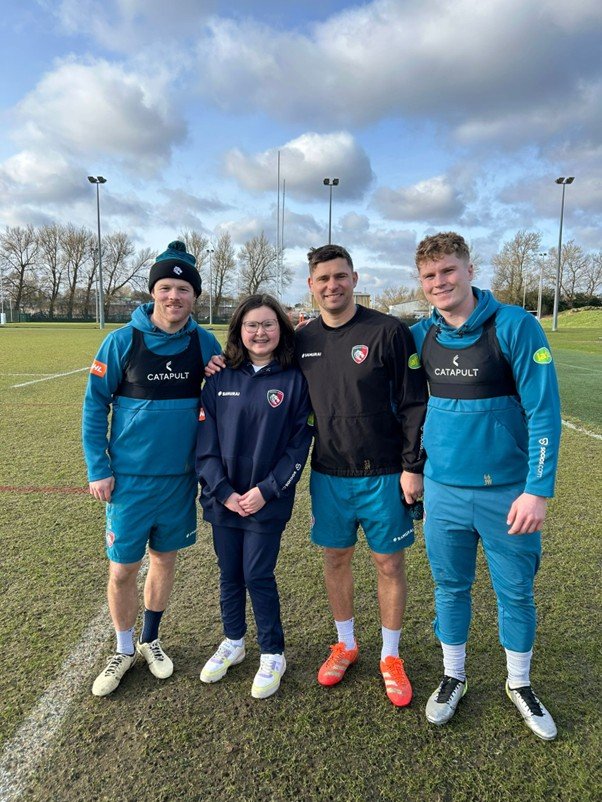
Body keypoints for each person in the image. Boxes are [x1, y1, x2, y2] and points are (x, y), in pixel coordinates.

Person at [411, 231, 561, 740]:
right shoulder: (420, 336)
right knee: (449, 588)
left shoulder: (515, 326)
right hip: (443, 491)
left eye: (448, 270)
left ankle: (519, 684)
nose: (439, 282)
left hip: (508, 493)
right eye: (429, 275)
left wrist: (537, 489)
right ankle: (454, 675)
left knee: (514, 593)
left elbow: (544, 412)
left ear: (470, 270)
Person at [83, 240, 221, 697]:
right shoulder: (122, 340)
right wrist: (98, 466)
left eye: (183, 289)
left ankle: (150, 640)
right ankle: (123, 648)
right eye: (166, 287)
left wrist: (221, 371)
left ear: (194, 297)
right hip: (129, 482)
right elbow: (94, 407)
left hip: (180, 481)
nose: (174, 296)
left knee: (164, 560)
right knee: (123, 569)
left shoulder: (204, 342)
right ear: (154, 291)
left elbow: (223, 396)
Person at [295, 244, 428, 707]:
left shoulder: (389, 331)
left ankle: (391, 656)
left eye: (340, 276)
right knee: (336, 559)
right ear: (311, 286)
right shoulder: (303, 339)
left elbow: (415, 403)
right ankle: (346, 643)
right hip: (329, 473)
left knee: (389, 563)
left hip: (385, 473)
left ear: (354, 278)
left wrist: (413, 467)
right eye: (322, 279)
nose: (332, 285)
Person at [196, 294, 312, 699]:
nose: (259, 332)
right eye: (251, 325)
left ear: (280, 329)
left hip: (267, 501)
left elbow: (299, 447)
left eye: (267, 324)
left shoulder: (295, 380)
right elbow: (204, 444)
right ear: (239, 331)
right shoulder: (219, 377)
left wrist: (265, 491)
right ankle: (234, 642)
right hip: (223, 499)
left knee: (257, 574)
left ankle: (272, 651)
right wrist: (224, 492)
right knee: (229, 575)